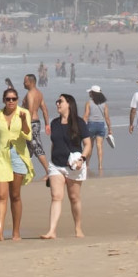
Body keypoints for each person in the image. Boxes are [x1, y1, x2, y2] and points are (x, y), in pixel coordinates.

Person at [42, 93, 91, 239]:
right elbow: (54, 143)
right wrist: (49, 168)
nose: (57, 104)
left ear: (69, 104)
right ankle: (52, 231)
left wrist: (82, 159)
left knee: (74, 197)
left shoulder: (79, 122)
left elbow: (88, 144)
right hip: (56, 164)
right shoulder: (55, 123)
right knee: (56, 196)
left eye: (60, 101)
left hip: (73, 165)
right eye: (57, 101)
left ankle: (78, 228)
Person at [0, 86, 32, 241]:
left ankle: (16, 232)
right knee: (1, 195)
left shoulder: (24, 113)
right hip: (0, 156)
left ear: (17, 100)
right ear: (3, 100)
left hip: (17, 155)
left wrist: (24, 120)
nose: (11, 101)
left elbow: (28, 135)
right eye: (8, 99)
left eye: (14, 99)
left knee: (15, 195)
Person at [84, 86, 111, 174]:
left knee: (89, 146)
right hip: (101, 125)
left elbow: (86, 116)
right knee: (99, 146)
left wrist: (82, 126)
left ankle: (87, 164)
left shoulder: (88, 103)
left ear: (93, 93)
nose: (89, 93)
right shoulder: (104, 104)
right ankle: (100, 165)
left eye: (90, 92)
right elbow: (107, 118)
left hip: (91, 125)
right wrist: (110, 129)